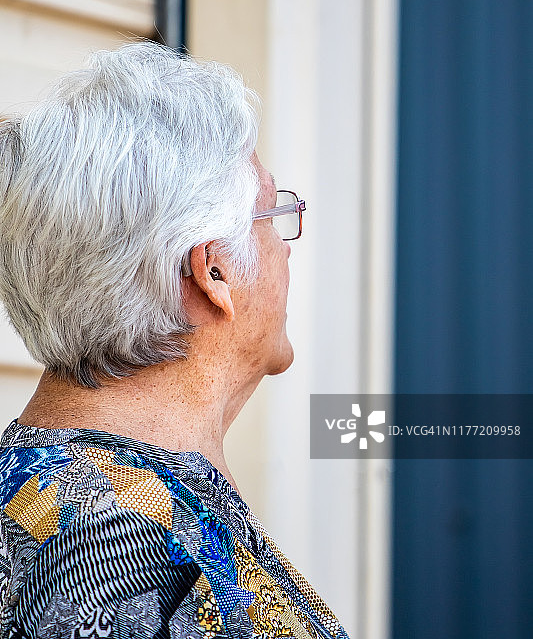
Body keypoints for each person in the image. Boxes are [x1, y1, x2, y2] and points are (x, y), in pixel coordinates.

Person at [0, 43, 349, 638]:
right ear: (213, 273)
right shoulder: (131, 547)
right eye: (272, 214)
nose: (286, 247)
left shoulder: (43, 489)